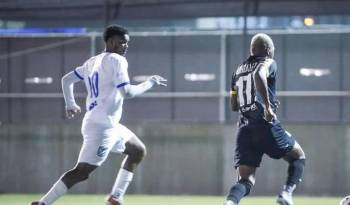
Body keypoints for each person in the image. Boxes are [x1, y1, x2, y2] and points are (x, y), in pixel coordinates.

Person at [30, 25, 167, 205]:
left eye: (127, 43)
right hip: (102, 128)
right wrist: (150, 83)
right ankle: (42, 204)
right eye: (122, 42)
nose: (125, 46)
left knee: (137, 150)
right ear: (110, 42)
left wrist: (70, 103)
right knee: (81, 172)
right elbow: (127, 92)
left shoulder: (92, 61)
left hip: (107, 123)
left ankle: (115, 197)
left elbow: (67, 80)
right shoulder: (117, 60)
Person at [223, 33, 306, 205]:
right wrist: (268, 107)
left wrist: (250, 108)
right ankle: (286, 194)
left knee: (245, 180)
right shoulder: (267, 62)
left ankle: (230, 203)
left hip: (245, 129)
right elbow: (259, 75)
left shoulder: (237, 71)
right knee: (298, 156)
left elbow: (233, 105)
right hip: (265, 125)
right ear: (268, 50)